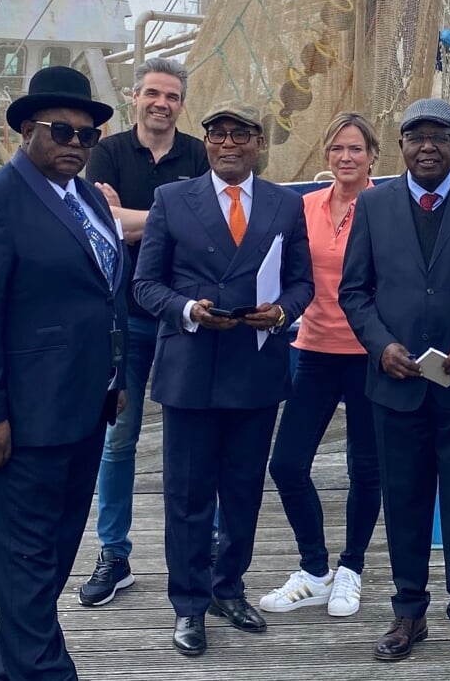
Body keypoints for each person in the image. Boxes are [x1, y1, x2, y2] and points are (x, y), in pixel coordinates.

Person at [0, 65, 129, 681]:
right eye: (61, 131)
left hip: (83, 414)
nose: (75, 143)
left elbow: (105, 297)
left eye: (88, 136)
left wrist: (117, 376)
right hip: (18, 427)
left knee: (44, 571)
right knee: (24, 572)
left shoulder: (90, 205)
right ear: (27, 130)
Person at [133, 103, 314, 658]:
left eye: (240, 134)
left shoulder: (286, 204)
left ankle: (228, 588)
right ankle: (189, 606)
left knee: (242, 492)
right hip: (190, 369)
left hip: (255, 369)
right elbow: (145, 285)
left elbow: (302, 282)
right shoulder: (171, 200)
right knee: (187, 497)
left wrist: (282, 312)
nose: (228, 143)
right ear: (206, 144)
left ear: (259, 142)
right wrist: (187, 309)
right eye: (218, 135)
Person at [340, 96, 450, 674]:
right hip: (396, 384)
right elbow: (354, 292)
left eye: (439, 136)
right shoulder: (373, 204)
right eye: (416, 137)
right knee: (406, 504)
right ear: (402, 147)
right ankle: (408, 612)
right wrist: (379, 345)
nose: (427, 147)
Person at [77, 57, 209, 608]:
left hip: (183, 318)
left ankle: (211, 543)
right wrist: (169, 215)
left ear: (182, 103)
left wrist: (134, 217)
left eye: (172, 96)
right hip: (125, 317)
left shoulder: (200, 154)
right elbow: (98, 222)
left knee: (201, 437)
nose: (161, 103)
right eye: (152, 93)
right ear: (135, 97)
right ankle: (115, 551)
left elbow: (207, 226)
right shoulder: (106, 152)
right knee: (118, 437)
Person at [259, 112, 382, 618]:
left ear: (373, 156)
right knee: (286, 463)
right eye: (337, 149)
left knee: (366, 467)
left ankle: (351, 569)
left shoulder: (385, 208)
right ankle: (314, 569)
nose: (346, 158)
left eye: (356, 149)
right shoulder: (302, 207)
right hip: (312, 349)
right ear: (327, 155)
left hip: (371, 356)